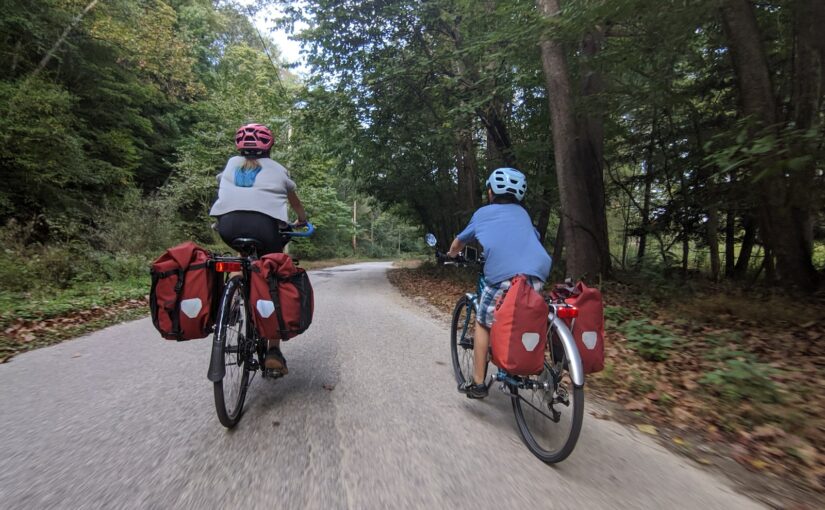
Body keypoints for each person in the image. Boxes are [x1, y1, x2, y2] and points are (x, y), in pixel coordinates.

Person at [210, 123, 308, 375]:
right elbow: (294, 202)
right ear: (270, 146)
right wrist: (303, 220)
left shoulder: (231, 164)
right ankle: (273, 352)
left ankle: (229, 305)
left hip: (228, 226)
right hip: (267, 229)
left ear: (238, 147)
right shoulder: (278, 169)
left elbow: (225, 191)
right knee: (272, 274)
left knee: (241, 259)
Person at [446, 167, 552, 399]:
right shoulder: (523, 215)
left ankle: (478, 383)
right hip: (537, 275)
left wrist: (451, 255)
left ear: (491, 191)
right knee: (524, 315)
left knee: (484, 323)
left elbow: (459, 242)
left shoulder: (483, 213)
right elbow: (534, 237)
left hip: (504, 277)